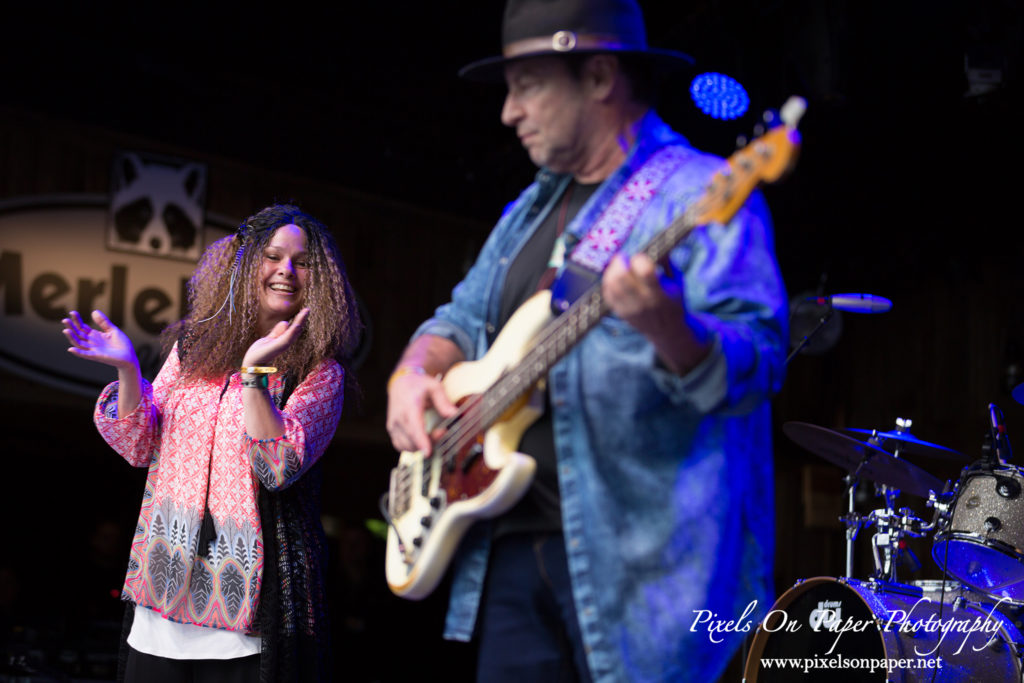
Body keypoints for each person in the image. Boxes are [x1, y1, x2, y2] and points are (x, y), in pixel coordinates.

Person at [385, 1, 788, 681]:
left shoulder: (699, 190)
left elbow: (759, 361)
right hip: (507, 542)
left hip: (644, 567)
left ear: (599, 77)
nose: (509, 112)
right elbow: (455, 319)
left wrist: (669, 326)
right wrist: (411, 373)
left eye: (528, 84)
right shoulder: (525, 212)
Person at [62, 204, 362, 682]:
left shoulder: (320, 372)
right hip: (160, 606)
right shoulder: (192, 348)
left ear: (317, 279)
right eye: (272, 256)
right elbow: (139, 444)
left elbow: (278, 467)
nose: (286, 270)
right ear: (243, 266)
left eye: (302, 262)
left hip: (247, 624)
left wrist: (254, 377)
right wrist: (127, 371)